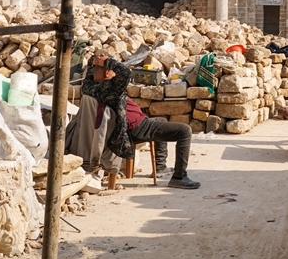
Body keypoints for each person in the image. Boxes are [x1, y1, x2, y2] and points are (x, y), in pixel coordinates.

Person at [82, 49, 200, 189]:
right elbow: (125, 73)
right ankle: (179, 177)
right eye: (112, 70)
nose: (115, 73)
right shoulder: (110, 87)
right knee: (184, 131)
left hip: (135, 124)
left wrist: (95, 61)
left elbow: (92, 73)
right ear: (108, 73)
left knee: (161, 120)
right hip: (137, 127)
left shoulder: (89, 86)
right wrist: (107, 61)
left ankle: (160, 166)